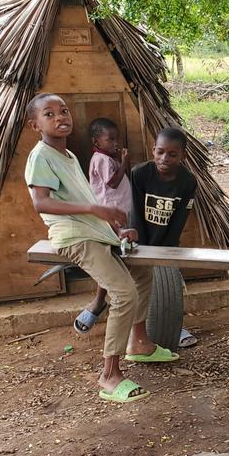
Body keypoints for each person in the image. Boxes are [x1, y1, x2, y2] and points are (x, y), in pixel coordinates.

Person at [24, 93, 178, 404]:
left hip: (94, 233)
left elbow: (86, 204)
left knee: (142, 272)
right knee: (123, 292)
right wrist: (96, 209)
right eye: (49, 114)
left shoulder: (68, 156)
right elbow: (41, 202)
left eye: (63, 111)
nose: (60, 117)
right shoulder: (40, 156)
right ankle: (109, 375)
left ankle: (139, 344)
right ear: (34, 125)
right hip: (75, 238)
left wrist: (117, 230)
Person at [129, 127, 200, 348]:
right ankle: (136, 333)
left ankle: (173, 328)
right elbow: (135, 212)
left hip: (166, 243)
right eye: (160, 152)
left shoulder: (187, 182)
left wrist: (166, 250)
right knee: (138, 287)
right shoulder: (140, 174)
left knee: (169, 287)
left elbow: (179, 220)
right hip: (139, 241)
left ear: (183, 155)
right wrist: (142, 248)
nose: (164, 158)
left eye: (172, 154)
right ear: (153, 150)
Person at [74, 118, 132, 333]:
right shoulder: (101, 159)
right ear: (96, 141)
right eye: (110, 139)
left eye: (117, 139)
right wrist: (124, 161)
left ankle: (106, 301)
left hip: (118, 215)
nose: (116, 143)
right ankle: (105, 301)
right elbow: (113, 183)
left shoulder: (106, 158)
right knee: (114, 258)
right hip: (111, 217)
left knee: (120, 257)